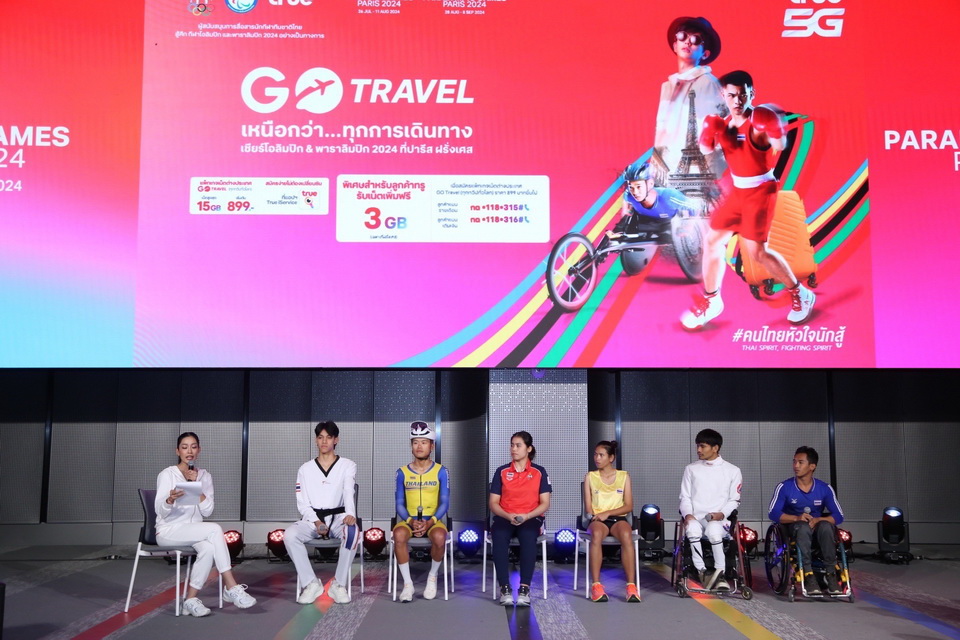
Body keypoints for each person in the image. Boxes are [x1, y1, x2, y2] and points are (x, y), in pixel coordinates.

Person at [681, 70, 816, 329]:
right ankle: (712, 300)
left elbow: (780, 145)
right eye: (731, 95)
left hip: (761, 191)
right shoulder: (721, 124)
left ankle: (800, 292)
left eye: (742, 94)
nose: (737, 100)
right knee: (712, 241)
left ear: (751, 93)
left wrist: (775, 124)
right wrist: (710, 135)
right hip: (738, 191)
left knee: (757, 252)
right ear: (723, 95)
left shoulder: (759, 120)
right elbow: (706, 152)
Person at [155, 432, 257, 617]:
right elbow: (159, 511)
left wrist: (196, 486)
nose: (189, 451)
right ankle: (231, 586)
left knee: (209, 549)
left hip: (194, 531)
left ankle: (189, 600)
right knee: (215, 529)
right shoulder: (167, 474)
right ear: (177, 451)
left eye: (193, 447)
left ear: (199, 450)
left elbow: (207, 511)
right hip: (169, 530)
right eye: (184, 447)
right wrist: (169, 499)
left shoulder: (204, 476)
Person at [284, 421, 359, 605]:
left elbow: (348, 490)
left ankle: (338, 584)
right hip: (312, 520)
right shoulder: (305, 469)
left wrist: (350, 514)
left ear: (336, 440)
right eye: (320, 437)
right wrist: (317, 522)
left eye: (328, 437)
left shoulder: (348, 465)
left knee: (352, 532)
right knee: (289, 535)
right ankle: (311, 583)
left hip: (339, 518)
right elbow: (302, 503)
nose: (324, 441)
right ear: (316, 440)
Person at [654, 16, 728, 180]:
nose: (687, 42)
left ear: (705, 54)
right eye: (682, 36)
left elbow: (714, 135)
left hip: (694, 173)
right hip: (664, 170)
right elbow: (662, 132)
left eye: (696, 40)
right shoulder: (667, 86)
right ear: (675, 45)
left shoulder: (708, 83)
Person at [767, 446, 845, 596]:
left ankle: (831, 574)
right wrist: (796, 518)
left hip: (817, 528)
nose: (795, 466)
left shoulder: (824, 488)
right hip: (794, 528)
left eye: (800, 462)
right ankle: (808, 575)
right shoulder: (784, 487)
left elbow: (839, 515)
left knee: (826, 526)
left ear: (812, 466)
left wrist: (819, 519)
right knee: (802, 527)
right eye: (794, 462)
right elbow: (773, 513)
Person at [489, 431, 552, 607]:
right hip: (505, 516)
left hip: (530, 517)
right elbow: (493, 503)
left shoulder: (539, 472)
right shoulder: (501, 471)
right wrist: (507, 515)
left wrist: (527, 516)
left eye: (518, 445)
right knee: (499, 536)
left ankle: (524, 588)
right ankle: (505, 588)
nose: (513, 449)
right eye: (512, 445)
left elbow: (545, 503)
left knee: (528, 536)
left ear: (528, 448)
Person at [393, 421, 450, 602]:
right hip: (408, 520)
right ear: (411, 446)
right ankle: (408, 584)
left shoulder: (442, 471)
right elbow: (399, 503)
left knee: (440, 537)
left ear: (431, 446)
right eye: (415, 442)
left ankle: (432, 577)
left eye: (424, 442)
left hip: (433, 520)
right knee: (398, 535)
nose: (419, 446)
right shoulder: (402, 472)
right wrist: (410, 521)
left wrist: (430, 521)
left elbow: (445, 503)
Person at [678, 428, 742, 591]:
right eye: (697, 446)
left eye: (702, 446)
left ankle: (720, 574)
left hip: (720, 521)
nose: (698, 450)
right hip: (697, 519)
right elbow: (685, 497)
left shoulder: (733, 471)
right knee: (692, 529)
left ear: (715, 448)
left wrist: (722, 514)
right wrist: (688, 515)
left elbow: (734, 500)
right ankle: (702, 572)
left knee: (713, 530)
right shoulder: (691, 469)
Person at [583, 441, 640, 603]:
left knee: (626, 535)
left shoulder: (624, 476)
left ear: (611, 458)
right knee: (596, 535)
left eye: (601, 455)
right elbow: (589, 508)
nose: (597, 458)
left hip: (618, 518)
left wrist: (608, 513)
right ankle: (596, 586)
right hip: (597, 519)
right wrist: (599, 515)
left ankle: (631, 587)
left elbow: (628, 506)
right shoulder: (590, 477)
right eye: (595, 454)